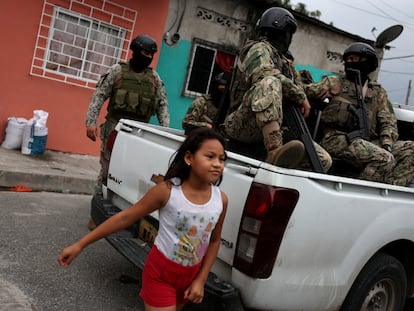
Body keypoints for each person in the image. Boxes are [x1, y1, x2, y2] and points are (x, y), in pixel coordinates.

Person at [58, 127, 228, 310]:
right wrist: (80, 244)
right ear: (189, 158)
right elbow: (124, 218)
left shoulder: (221, 200)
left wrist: (200, 280)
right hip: (161, 273)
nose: (217, 164)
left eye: (221, 159)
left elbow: (214, 241)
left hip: (190, 276)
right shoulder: (168, 191)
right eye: (210, 157)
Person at [222, 7, 331, 172]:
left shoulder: (285, 62)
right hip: (243, 123)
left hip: (278, 127)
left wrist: (329, 86)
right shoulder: (258, 48)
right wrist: (300, 96)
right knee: (270, 81)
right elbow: (264, 74)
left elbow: (302, 88)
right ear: (285, 32)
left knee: (322, 160)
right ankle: (273, 152)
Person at [306, 42, 414, 186]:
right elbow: (306, 91)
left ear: (367, 63)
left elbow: (388, 122)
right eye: (348, 59)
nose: (350, 62)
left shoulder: (377, 92)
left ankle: (389, 188)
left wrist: (387, 144)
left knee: (410, 149)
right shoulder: (335, 82)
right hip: (336, 139)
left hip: (368, 141)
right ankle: (357, 191)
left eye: (355, 59)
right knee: (384, 158)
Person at [85, 34, 170, 199]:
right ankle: (98, 203)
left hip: (141, 133)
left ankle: (121, 203)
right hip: (115, 128)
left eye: (151, 55)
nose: (148, 57)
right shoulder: (117, 71)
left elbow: (162, 105)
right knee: (108, 168)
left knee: (133, 170)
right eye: (145, 53)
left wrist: (164, 132)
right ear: (135, 51)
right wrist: (91, 122)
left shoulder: (154, 78)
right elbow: (99, 96)